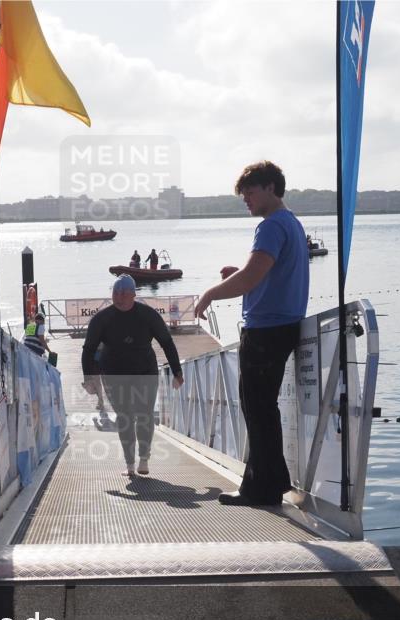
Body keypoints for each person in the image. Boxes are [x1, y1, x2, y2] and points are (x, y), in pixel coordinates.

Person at [194, 160, 309, 506]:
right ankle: (270, 482)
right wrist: (240, 275)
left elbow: (251, 277)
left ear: (271, 188)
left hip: (266, 330)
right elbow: (260, 275)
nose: (245, 198)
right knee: (262, 408)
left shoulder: (271, 226)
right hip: (284, 324)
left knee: (257, 409)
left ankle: (262, 488)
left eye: (250, 190)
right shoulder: (292, 224)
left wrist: (211, 293)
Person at [82, 274, 184, 477]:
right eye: (115, 292)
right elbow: (88, 349)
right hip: (113, 373)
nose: (118, 297)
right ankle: (130, 464)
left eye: (123, 293)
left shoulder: (148, 315)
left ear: (133, 295)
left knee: (144, 415)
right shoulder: (101, 319)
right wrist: (89, 378)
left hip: (145, 371)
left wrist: (177, 371)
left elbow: (167, 342)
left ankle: (144, 458)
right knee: (125, 417)